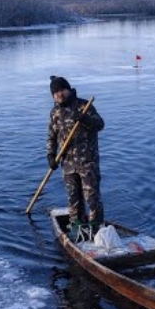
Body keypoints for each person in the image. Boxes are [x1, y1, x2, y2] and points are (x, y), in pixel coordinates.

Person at [46, 76, 105, 240]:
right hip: (67, 164)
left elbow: (100, 124)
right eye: (55, 92)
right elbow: (51, 136)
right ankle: (76, 229)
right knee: (73, 199)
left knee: (92, 197)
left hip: (87, 162)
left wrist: (85, 119)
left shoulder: (84, 106)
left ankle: (97, 231)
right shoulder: (55, 112)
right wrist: (51, 155)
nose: (59, 94)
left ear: (68, 89)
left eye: (61, 90)